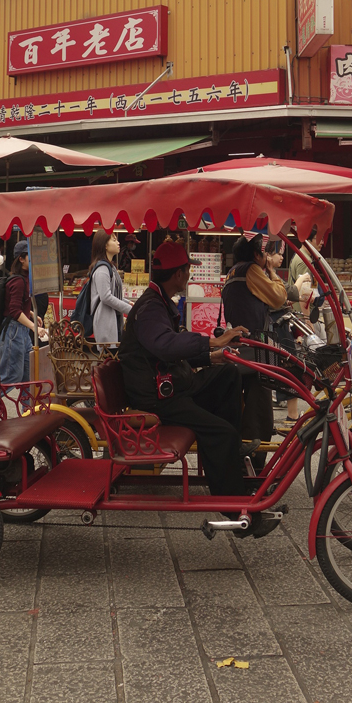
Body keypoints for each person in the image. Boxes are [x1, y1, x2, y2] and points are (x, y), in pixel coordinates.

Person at [119, 240, 281, 538]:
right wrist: (213, 342)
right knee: (221, 431)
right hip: (158, 397)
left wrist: (211, 356)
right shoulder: (151, 308)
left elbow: (172, 347)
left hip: (175, 382)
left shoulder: (160, 302)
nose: (189, 276)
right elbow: (165, 345)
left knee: (227, 374)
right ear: (178, 274)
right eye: (187, 271)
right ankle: (236, 513)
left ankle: (227, 451)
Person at [222, 235, 288, 448]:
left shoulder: (232, 272)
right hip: (255, 349)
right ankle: (254, 464)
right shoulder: (251, 270)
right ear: (256, 254)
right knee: (259, 411)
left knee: (242, 408)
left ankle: (243, 455)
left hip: (238, 347)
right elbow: (279, 296)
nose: (267, 257)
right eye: (264, 253)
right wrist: (272, 271)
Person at [0, 240, 44, 386]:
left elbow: (18, 305)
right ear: (21, 259)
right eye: (30, 257)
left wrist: (30, 313)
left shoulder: (25, 278)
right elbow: (14, 311)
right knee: (10, 377)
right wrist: (33, 327)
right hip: (14, 332)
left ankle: (27, 409)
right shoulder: (18, 281)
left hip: (21, 332)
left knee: (27, 376)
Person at [88, 230, 131, 345]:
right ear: (105, 245)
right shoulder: (102, 269)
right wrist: (129, 309)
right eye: (114, 240)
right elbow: (106, 296)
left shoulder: (110, 266)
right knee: (108, 358)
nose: (118, 243)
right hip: (105, 322)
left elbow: (113, 294)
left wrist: (128, 302)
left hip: (114, 320)